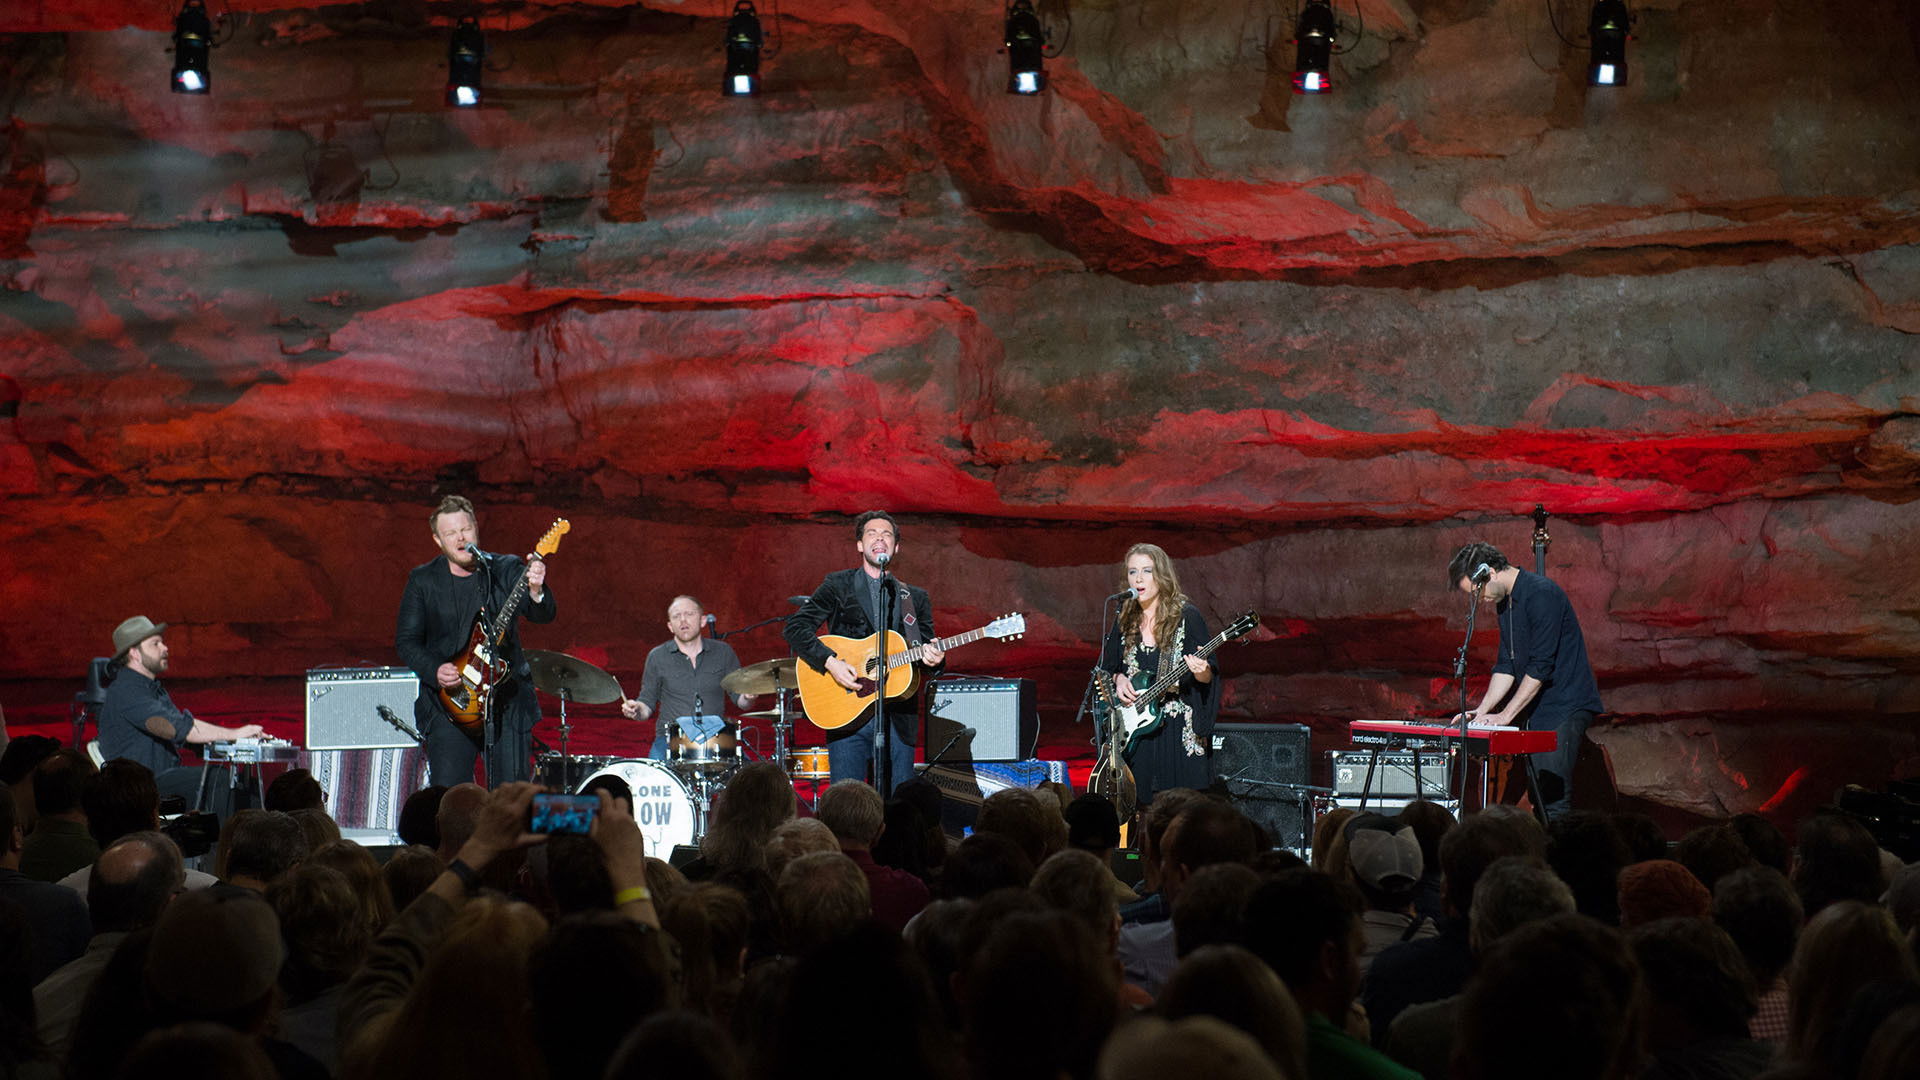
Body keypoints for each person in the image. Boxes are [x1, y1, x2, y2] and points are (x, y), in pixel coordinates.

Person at [395, 495, 556, 788]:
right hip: (451, 704)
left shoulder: (505, 569)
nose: (460, 538)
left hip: (506, 704)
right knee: (450, 797)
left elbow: (542, 613)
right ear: (437, 540)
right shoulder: (422, 580)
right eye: (451, 533)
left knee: (511, 800)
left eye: (465, 529)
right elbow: (407, 641)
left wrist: (536, 588)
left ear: (476, 529)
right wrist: (435, 669)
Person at [784, 510, 944, 794]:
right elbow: (796, 628)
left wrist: (936, 659)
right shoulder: (838, 584)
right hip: (846, 713)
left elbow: (925, 651)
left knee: (898, 811)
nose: (879, 538)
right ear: (860, 544)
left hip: (898, 717)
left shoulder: (914, 598)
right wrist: (830, 663)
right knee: (847, 808)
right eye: (872, 533)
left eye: (887, 534)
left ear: (896, 547)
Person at [1446, 541, 1602, 820]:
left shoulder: (1542, 594)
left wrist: (1505, 715)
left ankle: (1560, 860)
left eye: (1477, 590)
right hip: (1539, 708)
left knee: (1553, 798)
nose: (1480, 599)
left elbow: (1541, 666)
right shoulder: (1506, 602)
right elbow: (1506, 664)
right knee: (1538, 796)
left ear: (1490, 573)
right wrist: (1482, 712)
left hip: (1565, 704)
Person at [97, 616, 264, 810]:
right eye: (156, 644)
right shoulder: (127, 691)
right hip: (138, 788)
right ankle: (222, 841)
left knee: (244, 787)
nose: (165, 648)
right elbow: (178, 729)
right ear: (135, 653)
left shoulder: (151, 690)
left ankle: (256, 838)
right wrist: (234, 734)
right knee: (220, 781)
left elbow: (184, 727)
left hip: (158, 778)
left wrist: (239, 742)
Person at [1099, 543, 1220, 809]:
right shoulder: (1124, 618)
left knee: (1178, 813)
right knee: (1138, 810)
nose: (1138, 579)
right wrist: (1119, 679)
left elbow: (1208, 676)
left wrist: (1202, 672)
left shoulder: (1187, 616)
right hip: (1137, 730)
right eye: (1132, 572)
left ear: (1162, 576)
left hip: (1175, 730)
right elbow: (1108, 667)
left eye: (1146, 571)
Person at [620, 595, 751, 762]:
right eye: (676, 616)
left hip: (715, 740)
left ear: (702, 620)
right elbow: (646, 705)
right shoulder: (657, 656)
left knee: (751, 781)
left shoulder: (723, 652)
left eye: (689, 614)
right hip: (670, 741)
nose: (683, 620)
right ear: (670, 626)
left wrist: (748, 696)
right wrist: (636, 709)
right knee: (654, 779)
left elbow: (741, 701)